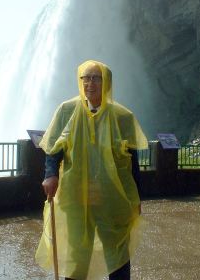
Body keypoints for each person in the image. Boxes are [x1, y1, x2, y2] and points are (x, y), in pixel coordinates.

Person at [35, 60, 148, 280]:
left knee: (117, 251)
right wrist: (50, 175)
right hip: (77, 195)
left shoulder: (122, 117)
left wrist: (137, 198)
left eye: (96, 78)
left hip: (113, 196)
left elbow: (132, 163)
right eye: (85, 78)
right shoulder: (67, 111)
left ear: (107, 82)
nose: (90, 83)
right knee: (77, 250)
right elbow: (53, 149)